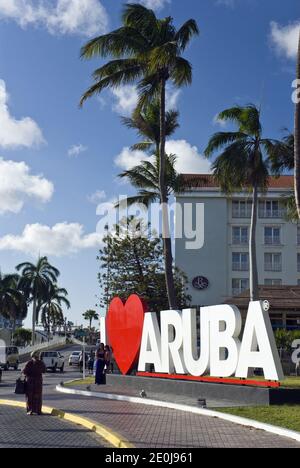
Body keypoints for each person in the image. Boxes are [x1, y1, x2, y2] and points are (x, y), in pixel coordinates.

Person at [23, 351, 46, 416]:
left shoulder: (29, 363)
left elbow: (25, 372)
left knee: (29, 397)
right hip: (38, 382)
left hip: (30, 382)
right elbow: (44, 371)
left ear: (32, 356)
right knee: (38, 396)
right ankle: (38, 411)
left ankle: (30, 410)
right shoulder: (41, 363)